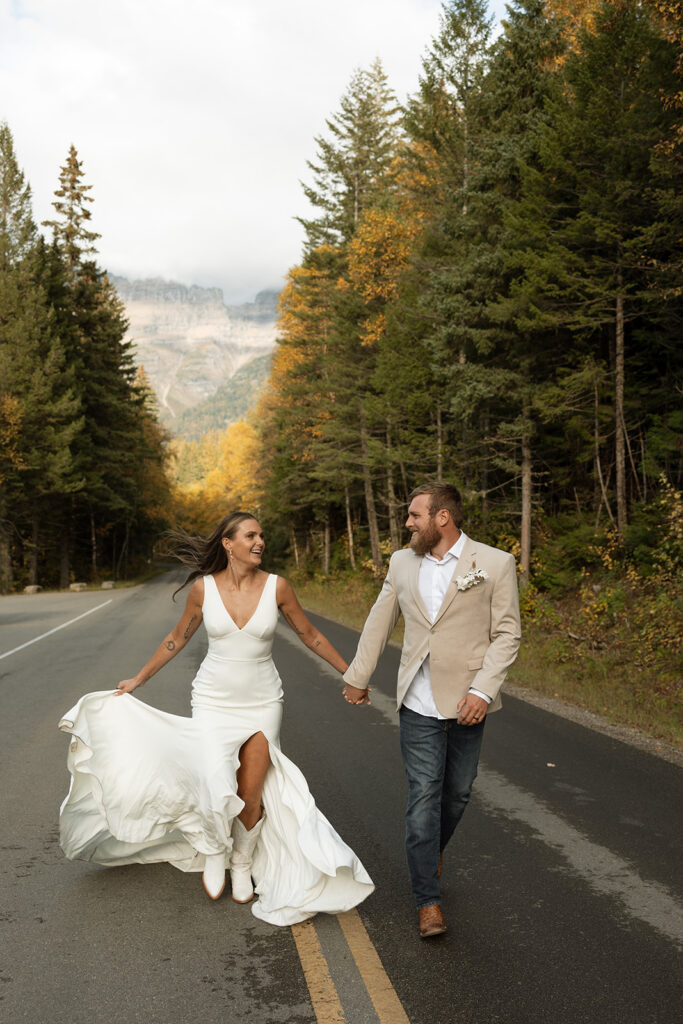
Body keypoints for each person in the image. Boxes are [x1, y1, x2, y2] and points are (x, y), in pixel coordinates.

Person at [59, 511, 373, 925]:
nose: (259, 541)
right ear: (228, 543)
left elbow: (310, 634)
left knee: (250, 789)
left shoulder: (278, 587)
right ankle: (212, 849)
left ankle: (241, 861)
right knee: (213, 780)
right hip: (212, 700)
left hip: (262, 701)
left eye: (261, 535)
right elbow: (176, 638)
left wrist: (353, 675)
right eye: (250, 535)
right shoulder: (203, 591)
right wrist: (138, 679)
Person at [342, 482, 521, 938]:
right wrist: (358, 676)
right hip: (417, 701)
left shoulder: (495, 563)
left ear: (443, 518)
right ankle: (428, 901)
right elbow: (380, 619)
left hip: (467, 701)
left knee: (457, 793)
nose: (408, 523)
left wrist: (482, 692)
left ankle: (429, 851)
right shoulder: (402, 562)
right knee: (424, 795)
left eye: (414, 515)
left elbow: (507, 635)